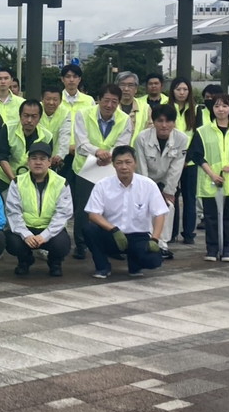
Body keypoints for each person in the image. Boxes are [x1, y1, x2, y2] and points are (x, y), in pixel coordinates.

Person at [84, 145, 167, 278]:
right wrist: (113, 230)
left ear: (135, 163)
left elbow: (160, 213)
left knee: (153, 260)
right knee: (89, 229)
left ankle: (135, 265)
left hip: (138, 235)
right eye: (119, 162)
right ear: (113, 165)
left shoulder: (148, 184)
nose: (124, 167)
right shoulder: (102, 185)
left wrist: (155, 239)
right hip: (111, 234)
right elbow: (93, 214)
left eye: (128, 162)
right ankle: (103, 267)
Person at [71, 84, 133, 259]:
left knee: (112, 208)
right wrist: (97, 152)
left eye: (114, 102)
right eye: (106, 100)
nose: (109, 105)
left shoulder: (125, 119)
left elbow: (123, 143)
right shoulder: (83, 114)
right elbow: (81, 142)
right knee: (83, 209)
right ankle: (81, 245)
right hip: (86, 168)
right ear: (99, 100)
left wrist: (108, 156)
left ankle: (112, 245)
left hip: (112, 168)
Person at [190, 93, 229, 262]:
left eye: (224, 106)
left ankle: (228, 250)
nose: (220, 109)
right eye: (217, 106)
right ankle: (212, 249)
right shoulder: (202, 131)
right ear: (212, 109)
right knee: (210, 218)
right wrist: (212, 174)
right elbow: (197, 155)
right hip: (209, 181)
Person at [4, 142, 72, 277]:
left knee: (62, 243)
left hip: (50, 229)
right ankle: (25, 260)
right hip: (26, 228)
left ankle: (55, 262)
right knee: (11, 241)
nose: (38, 162)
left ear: (49, 162)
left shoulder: (61, 182)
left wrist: (44, 236)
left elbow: (63, 214)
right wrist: (26, 234)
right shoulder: (17, 182)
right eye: (34, 158)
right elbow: (13, 212)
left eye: (42, 159)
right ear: (28, 162)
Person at [133, 103, 188, 258]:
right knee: (145, 208)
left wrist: (169, 191)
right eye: (160, 121)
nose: (164, 125)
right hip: (146, 178)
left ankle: (162, 244)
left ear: (174, 122)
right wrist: (146, 190)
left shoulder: (181, 138)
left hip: (166, 180)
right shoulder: (142, 138)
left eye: (168, 121)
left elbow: (176, 167)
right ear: (154, 122)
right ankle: (146, 241)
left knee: (167, 207)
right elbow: (141, 166)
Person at [0, 99, 53, 195]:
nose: (29, 120)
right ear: (20, 115)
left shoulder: (47, 136)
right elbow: (2, 156)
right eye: (26, 116)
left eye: (34, 116)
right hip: (1, 176)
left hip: (29, 179)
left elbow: (47, 162)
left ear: (39, 118)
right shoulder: (8, 128)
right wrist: (14, 181)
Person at [169, 77, 198, 243]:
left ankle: (188, 234)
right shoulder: (167, 108)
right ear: (173, 91)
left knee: (189, 198)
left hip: (189, 163)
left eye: (185, 89)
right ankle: (171, 233)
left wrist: (188, 158)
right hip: (171, 161)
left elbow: (197, 137)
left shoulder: (196, 110)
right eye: (178, 89)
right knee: (171, 197)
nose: (181, 92)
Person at [116, 71, 148, 142]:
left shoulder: (145, 108)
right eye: (122, 85)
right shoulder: (110, 106)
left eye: (130, 85)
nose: (126, 89)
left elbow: (150, 132)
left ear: (136, 89)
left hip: (137, 150)